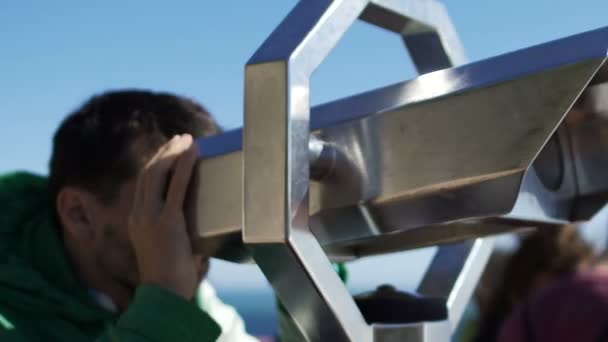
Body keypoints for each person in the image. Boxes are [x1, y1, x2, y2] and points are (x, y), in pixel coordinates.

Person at [0, 90, 265, 341]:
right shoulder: (166, 283)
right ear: (78, 214)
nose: (187, 234)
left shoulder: (179, 282)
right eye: (163, 197)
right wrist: (166, 304)